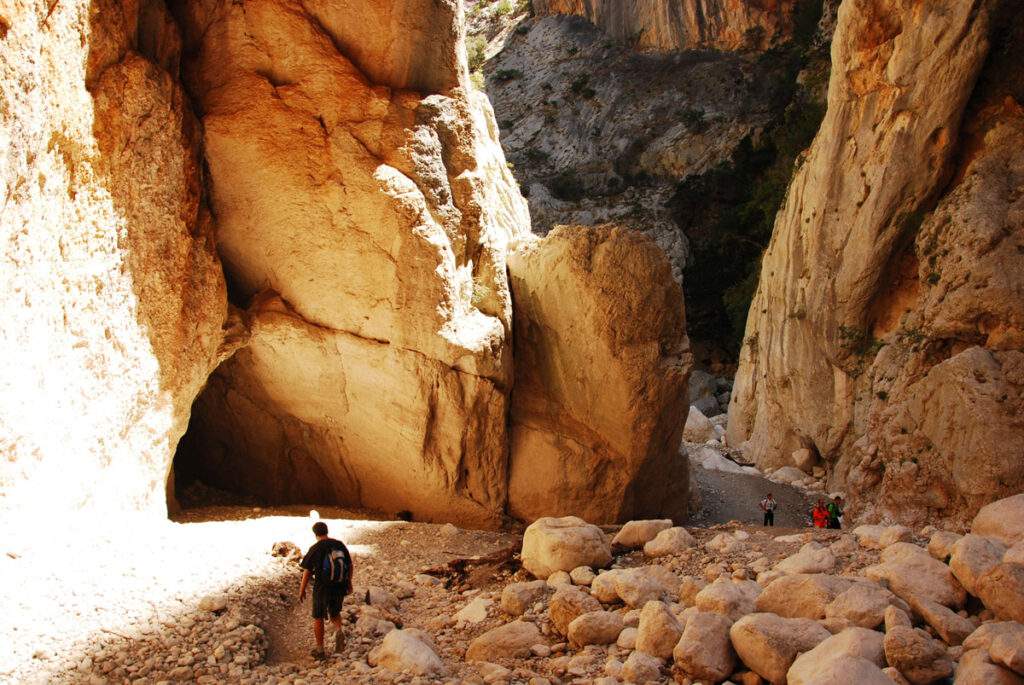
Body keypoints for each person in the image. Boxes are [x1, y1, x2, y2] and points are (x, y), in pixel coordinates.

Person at [299, 521, 353, 660]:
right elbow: (350, 565)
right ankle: (339, 630)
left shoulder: (316, 547)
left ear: (315, 533)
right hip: (339, 586)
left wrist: (302, 589)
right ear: (327, 531)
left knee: (318, 617)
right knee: (335, 613)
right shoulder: (339, 544)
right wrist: (349, 583)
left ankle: (320, 650)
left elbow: (307, 570)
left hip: (322, 587)